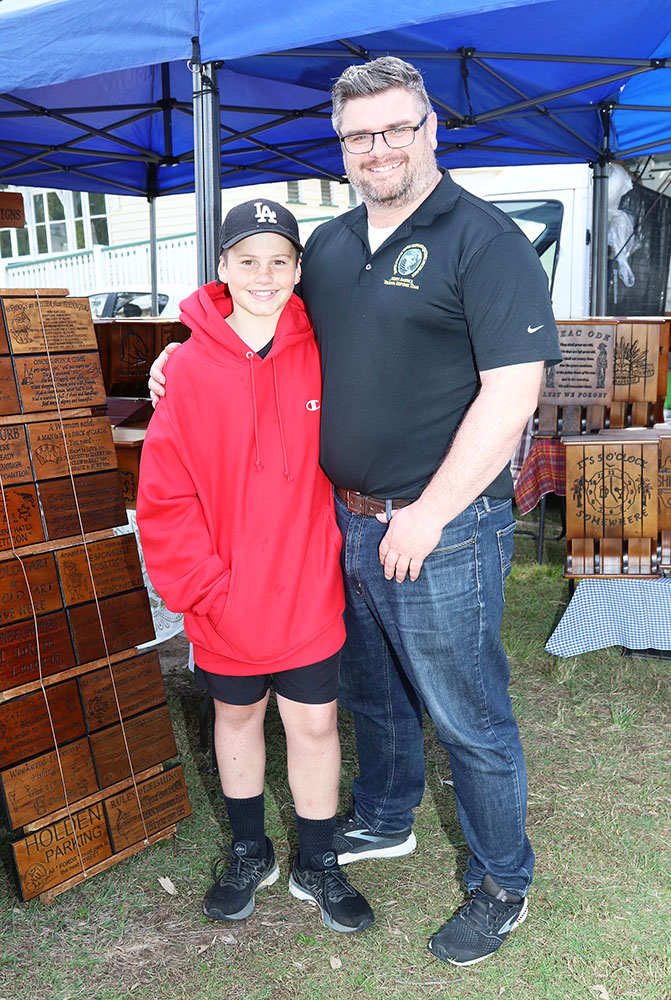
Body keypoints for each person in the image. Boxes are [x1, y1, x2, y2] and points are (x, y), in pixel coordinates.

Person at [149, 57, 562, 967]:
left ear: (430, 130)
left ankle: (501, 884)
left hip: (441, 527)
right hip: (340, 521)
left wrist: (429, 513)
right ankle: (381, 817)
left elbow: (511, 394)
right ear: (341, 147)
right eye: (359, 134)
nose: (378, 147)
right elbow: (254, 318)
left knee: (467, 714)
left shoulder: (481, 239)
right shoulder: (331, 247)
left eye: (395, 128)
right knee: (369, 694)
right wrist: (178, 357)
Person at [137, 199, 374, 935]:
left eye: (279, 260)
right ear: (221, 268)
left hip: (305, 588)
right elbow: (164, 497)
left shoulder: (326, 349)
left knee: (313, 725)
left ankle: (317, 859)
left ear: (299, 270)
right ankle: (249, 850)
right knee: (235, 718)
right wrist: (203, 589)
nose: (263, 275)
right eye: (247, 260)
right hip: (224, 595)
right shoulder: (187, 367)